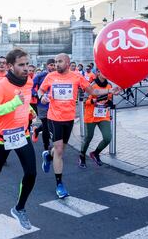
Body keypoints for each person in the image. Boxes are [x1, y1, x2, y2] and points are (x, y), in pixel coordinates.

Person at [37, 53, 121, 199]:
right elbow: (41, 90)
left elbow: (93, 91)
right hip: (54, 118)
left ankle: (48, 156)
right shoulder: (50, 77)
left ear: (68, 63)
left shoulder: (77, 77)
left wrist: (109, 90)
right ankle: (59, 184)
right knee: (59, 151)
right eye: (56, 62)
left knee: (59, 150)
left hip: (69, 118)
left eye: (60, 61)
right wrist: (42, 96)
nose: (57, 64)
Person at [0, 48, 36, 230]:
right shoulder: (2, 85)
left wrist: (31, 112)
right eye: (21, 65)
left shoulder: (29, 82)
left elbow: (25, 102)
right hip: (4, 137)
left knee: (31, 173)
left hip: (22, 134)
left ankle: (19, 208)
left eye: (27, 64)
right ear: (10, 66)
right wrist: (14, 103)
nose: (26, 68)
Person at [79, 69, 113, 168]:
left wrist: (108, 102)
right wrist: (93, 101)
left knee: (107, 138)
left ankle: (95, 153)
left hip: (103, 115)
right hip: (91, 116)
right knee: (88, 138)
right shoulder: (92, 85)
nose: (106, 73)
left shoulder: (109, 85)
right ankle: (82, 156)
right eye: (104, 71)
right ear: (98, 73)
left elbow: (109, 99)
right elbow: (84, 101)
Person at [31, 58, 55, 155]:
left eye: (54, 65)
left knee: (51, 125)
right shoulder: (40, 75)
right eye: (51, 65)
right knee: (46, 126)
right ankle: (46, 146)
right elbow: (31, 87)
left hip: (54, 105)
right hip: (42, 105)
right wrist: (36, 95)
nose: (53, 67)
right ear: (47, 65)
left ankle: (37, 130)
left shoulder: (58, 75)